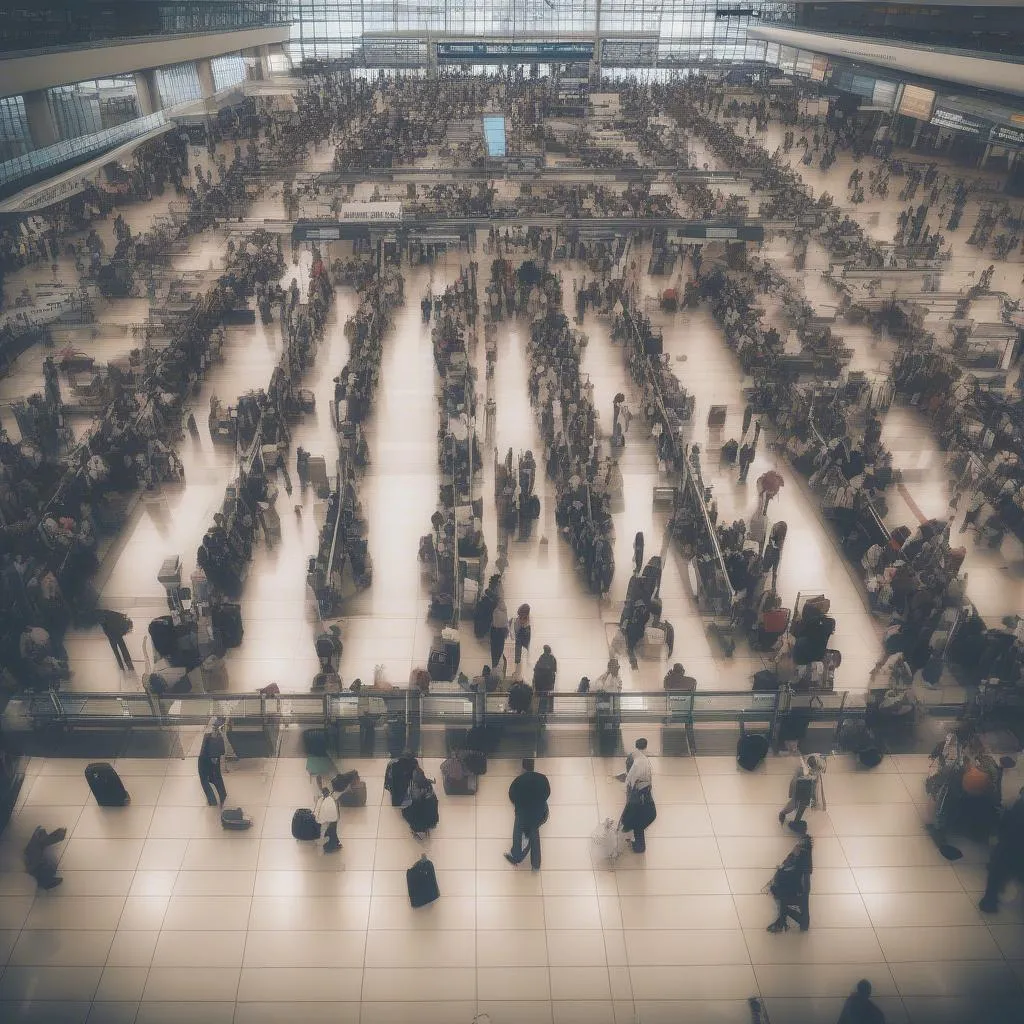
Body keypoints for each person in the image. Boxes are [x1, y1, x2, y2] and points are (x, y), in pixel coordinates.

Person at [979, 786, 1024, 914]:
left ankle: (989, 902)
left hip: (1008, 845)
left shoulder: (1018, 805)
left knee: (996, 873)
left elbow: (1004, 824)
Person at [505, 757, 550, 870]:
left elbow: (512, 796)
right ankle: (535, 865)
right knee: (534, 833)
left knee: (518, 833)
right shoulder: (542, 778)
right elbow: (547, 793)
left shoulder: (518, 781)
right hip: (540, 813)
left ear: (523, 768)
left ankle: (516, 856)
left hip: (523, 814)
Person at [767, 834, 813, 932]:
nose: (796, 846)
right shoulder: (804, 860)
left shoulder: (800, 861)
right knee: (804, 922)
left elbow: (804, 887)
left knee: (784, 900)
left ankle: (783, 919)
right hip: (794, 887)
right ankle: (784, 917)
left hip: (793, 889)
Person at [621, 738, 654, 853]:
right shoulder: (645, 759)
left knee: (635, 818)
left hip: (637, 794)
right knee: (638, 819)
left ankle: (638, 845)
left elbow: (630, 776)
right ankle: (637, 842)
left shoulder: (634, 758)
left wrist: (628, 785)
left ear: (636, 745)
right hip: (644, 793)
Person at [778, 754, 826, 831]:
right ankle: (783, 813)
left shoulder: (813, 768)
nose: (819, 772)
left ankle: (795, 819)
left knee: (801, 805)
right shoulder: (804, 774)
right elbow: (796, 784)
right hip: (801, 788)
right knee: (794, 803)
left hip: (805, 789)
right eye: (818, 770)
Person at [401, 767, 439, 840]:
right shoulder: (428, 786)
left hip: (415, 814)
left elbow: (405, 803)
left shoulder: (410, 786)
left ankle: (417, 830)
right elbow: (433, 801)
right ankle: (425, 828)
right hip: (430, 815)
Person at [198, 718, 228, 807]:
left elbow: (213, 734)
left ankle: (213, 801)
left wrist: (213, 756)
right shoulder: (218, 730)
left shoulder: (213, 730)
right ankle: (222, 796)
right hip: (212, 754)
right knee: (215, 776)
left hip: (208, 755)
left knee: (205, 779)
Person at [97, 608, 134, 672]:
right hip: (115, 632)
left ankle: (122, 666)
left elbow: (105, 628)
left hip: (112, 633)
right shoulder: (110, 615)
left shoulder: (104, 617)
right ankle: (128, 665)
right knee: (122, 648)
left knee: (116, 650)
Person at [315, 779, 341, 853]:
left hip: (331, 819)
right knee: (332, 832)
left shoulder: (327, 800)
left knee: (331, 832)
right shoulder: (330, 798)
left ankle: (333, 845)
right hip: (332, 819)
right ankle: (336, 844)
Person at [533, 644, 557, 713]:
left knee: (543, 700)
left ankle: (542, 713)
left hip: (542, 684)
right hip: (546, 683)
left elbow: (536, 669)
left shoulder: (542, 658)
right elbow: (554, 671)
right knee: (546, 699)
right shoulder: (551, 658)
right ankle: (546, 713)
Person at [490, 594, 509, 670]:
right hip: (502, 632)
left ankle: (494, 665)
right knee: (499, 649)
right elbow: (506, 622)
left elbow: (493, 622)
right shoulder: (505, 610)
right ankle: (496, 664)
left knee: (494, 650)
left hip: (496, 631)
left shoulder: (496, 610)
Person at [513, 602, 531, 671]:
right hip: (524, 638)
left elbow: (516, 631)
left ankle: (518, 665)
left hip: (522, 638)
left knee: (519, 651)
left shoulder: (519, 620)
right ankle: (519, 664)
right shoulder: (520, 620)